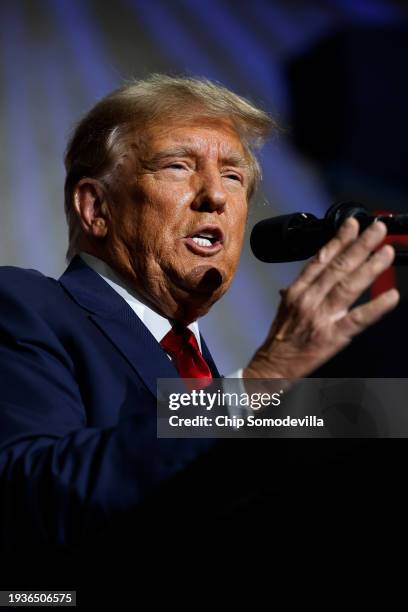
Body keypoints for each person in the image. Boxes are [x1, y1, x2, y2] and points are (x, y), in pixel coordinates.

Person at [0, 75, 398, 593]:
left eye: (233, 176)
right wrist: (259, 383)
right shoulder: (25, 306)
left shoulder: (200, 369)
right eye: (177, 166)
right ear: (96, 208)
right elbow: (34, 494)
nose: (215, 196)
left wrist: (374, 411)